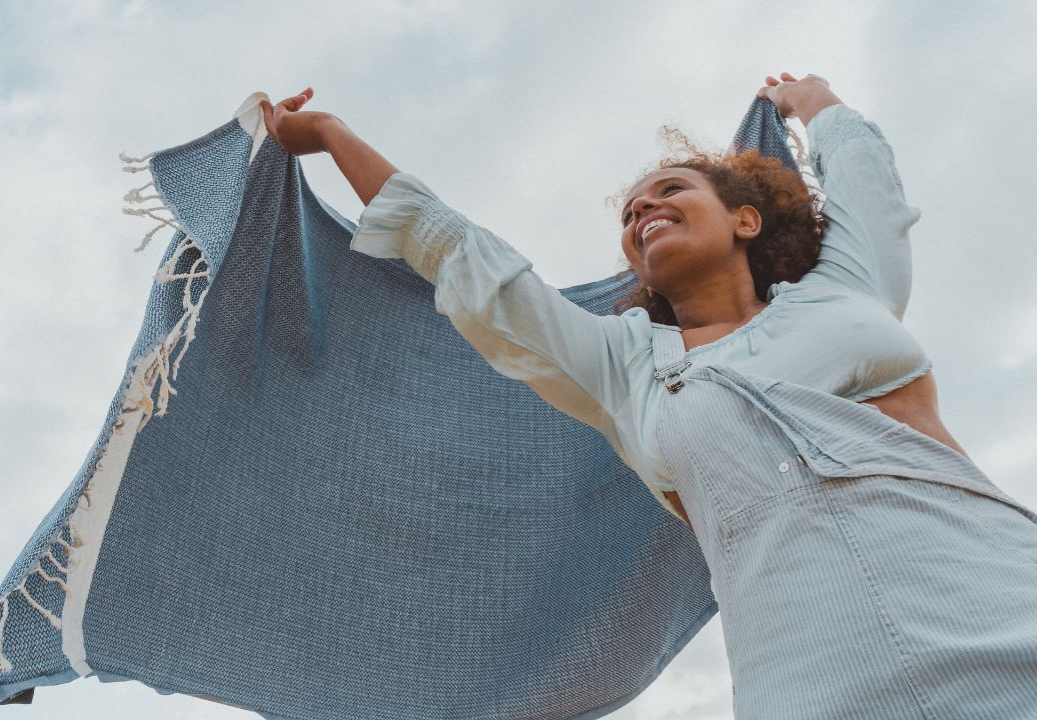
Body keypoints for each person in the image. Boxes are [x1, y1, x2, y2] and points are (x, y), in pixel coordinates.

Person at [259, 74, 1037, 718]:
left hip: (1000, 601)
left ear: (745, 218)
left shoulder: (848, 287)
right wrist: (329, 134)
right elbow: (468, 260)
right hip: (813, 683)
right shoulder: (622, 366)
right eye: (632, 215)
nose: (643, 212)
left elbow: (867, 177)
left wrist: (814, 100)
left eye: (669, 191)